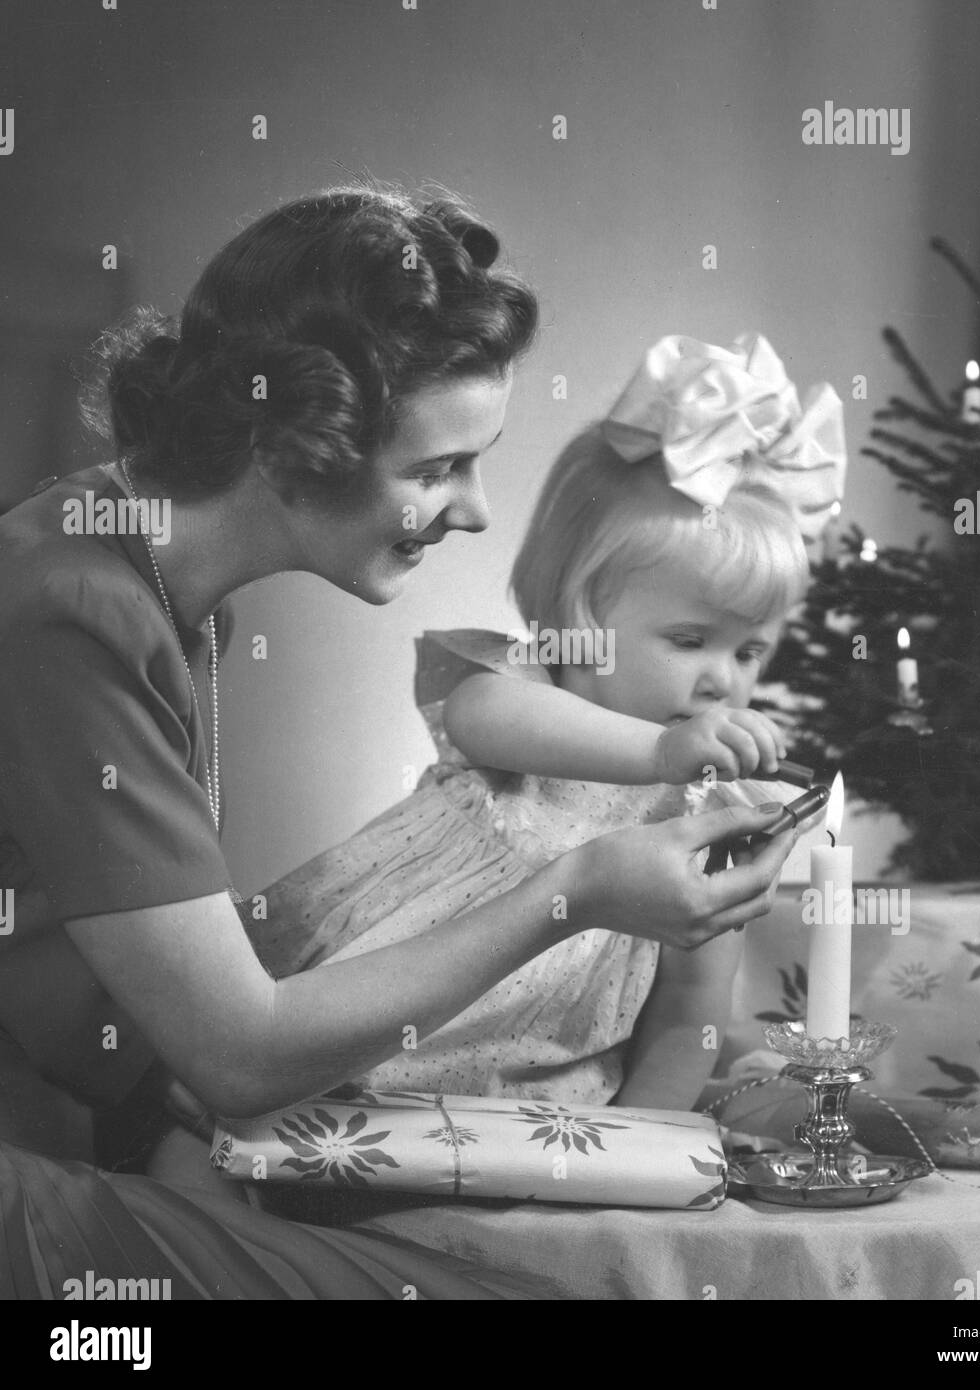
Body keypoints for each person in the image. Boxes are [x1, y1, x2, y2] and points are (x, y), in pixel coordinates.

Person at [0, 187, 796, 1299]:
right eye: (437, 469)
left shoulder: (150, 581)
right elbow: (235, 1051)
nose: (472, 509)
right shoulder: (69, 608)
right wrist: (575, 890)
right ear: (293, 449)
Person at [253, 333, 846, 1117]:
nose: (724, 679)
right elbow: (481, 718)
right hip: (357, 1038)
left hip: (536, 1107)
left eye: (753, 651)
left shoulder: (715, 811)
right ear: (581, 612)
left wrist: (641, 1144)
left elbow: (691, 1014)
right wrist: (663, 752)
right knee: (232, 1134)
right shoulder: (522, 686)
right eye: (690, 640)